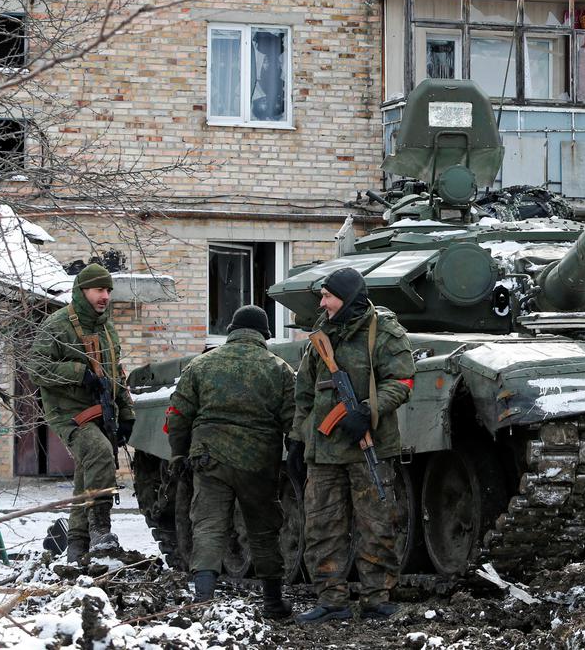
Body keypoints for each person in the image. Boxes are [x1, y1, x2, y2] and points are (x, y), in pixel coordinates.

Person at [288, 267, 415, 623]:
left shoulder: (384, 331)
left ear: (347, 297)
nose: (323, 303)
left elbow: (403, 379)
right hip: (324, 451)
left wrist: (367, 410)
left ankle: (377, 597)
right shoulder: (321, 336)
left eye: (328, 296)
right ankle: (332, 600)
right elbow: (304, 394)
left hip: (367, 445)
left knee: (377, 524)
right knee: (321, 526)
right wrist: (299, 440)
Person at [166, 304, 296, 617]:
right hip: (258, 462)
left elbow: (178, 414)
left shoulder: (201, 365)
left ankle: (203, 600)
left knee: (209, 525)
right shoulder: (279, 368)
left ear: (231, 331)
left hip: (210, 459)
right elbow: (294, 420)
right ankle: (274, 603)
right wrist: (294, 457)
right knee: (263, 530)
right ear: (264, 334)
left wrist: (179, 453)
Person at [29, 263, 135, 561]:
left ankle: (77, 548)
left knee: (87, 472)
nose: (105, 296)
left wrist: (126, 413)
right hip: (68, 411)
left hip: (102, 410)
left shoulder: (107, 328)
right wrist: (78, 373)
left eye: (109, 291)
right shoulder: (57, 325)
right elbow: (36, 368)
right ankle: (101, 529)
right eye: (99, 290)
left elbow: (117, 375)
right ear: (82, 290)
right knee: (99, 453)